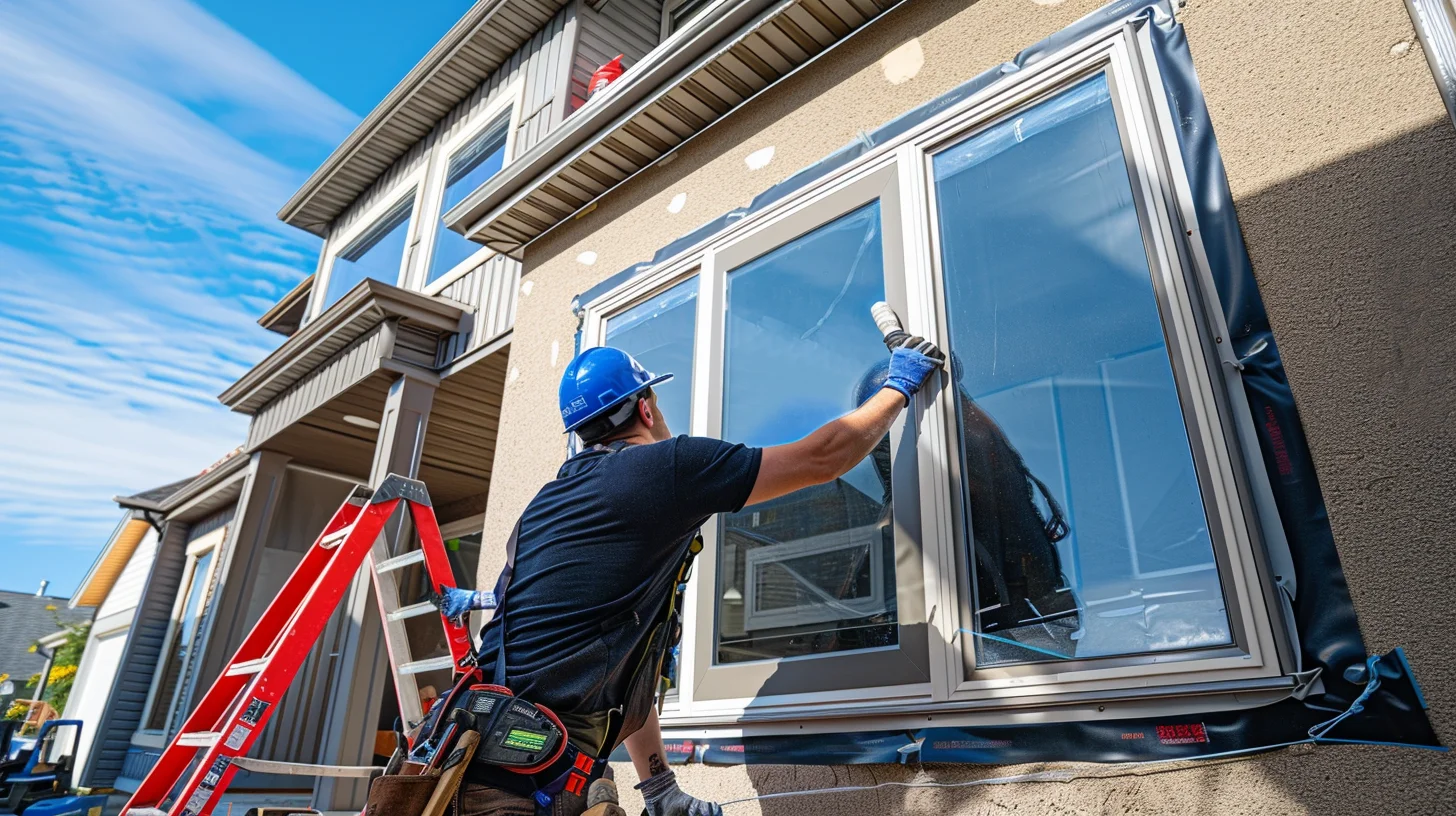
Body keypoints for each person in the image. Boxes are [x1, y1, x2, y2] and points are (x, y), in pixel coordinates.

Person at [445, 303, 944, 816]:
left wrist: (658, 786)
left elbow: (629, 663)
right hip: (520, 788)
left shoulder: (547, 502)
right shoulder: (668, 468)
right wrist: (898, 386)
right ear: (645, 407)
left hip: (472, 758)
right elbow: (822, 458)